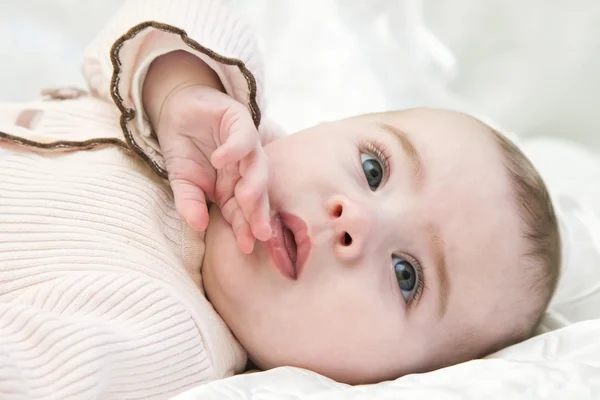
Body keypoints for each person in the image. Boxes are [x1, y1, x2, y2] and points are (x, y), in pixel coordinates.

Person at [0, 0, 560, 398]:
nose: (355, 219)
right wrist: (181, 90)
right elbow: (163, 21)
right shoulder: (224, 122)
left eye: (406, 274)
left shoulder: (170, 338)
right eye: (373, 167)